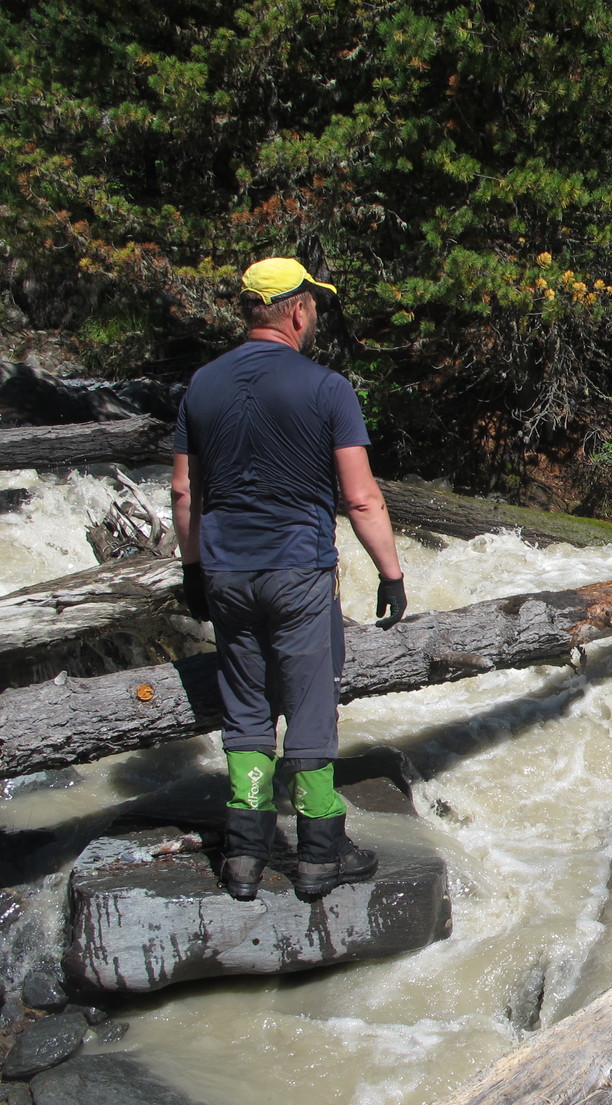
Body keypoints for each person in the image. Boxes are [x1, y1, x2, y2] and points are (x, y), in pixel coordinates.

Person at [171, 257, 409, 903]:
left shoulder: (201, 385)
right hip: (298, 571)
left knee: (246, 706)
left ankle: (245, 855)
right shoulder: (327, 388)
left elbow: (184, 491)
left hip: (225, 570)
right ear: (298, 310)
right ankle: (319, 856)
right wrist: (391, 574)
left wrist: (193, 570)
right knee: (308, 707)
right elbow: (361, 500)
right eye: (315, 306)